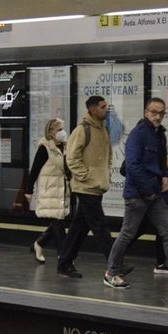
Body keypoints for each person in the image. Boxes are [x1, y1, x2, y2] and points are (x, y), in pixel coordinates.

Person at [104, 98, 168, 291]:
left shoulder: (160, 135)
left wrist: (167, 177)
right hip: (138, 195)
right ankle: (111, 272)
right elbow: (132, 165)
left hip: (157, 194)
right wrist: (148, 190)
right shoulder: (138, 135)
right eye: (154, 112)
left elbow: (161, 163)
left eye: (161, 113)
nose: (157, 116)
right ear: (145, 112)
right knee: (127, 233)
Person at [56, 96, 113, 279]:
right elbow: (71, 158)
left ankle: (64, 263)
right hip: (86, 187)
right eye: (103, 107)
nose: (107, 109)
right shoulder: (82, 130)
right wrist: (86, 176)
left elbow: (108, 155)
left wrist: (106, 174)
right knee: (100, 225)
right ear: (93, 110)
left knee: (79, 227)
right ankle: (115, 264)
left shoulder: (103, 130)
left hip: (97, 185)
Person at [22, 118, 70, 264]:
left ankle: (39, 244)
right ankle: (63, 256)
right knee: (58, 223)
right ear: (51, 132)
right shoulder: (45, 148)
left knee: (58, 221)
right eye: (59, 129)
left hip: (62, 190)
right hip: (49, 190)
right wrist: (28, 190)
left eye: (63, 129)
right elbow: (34, 170)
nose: (63, 132)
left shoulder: (65, 147)